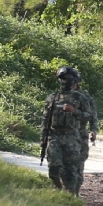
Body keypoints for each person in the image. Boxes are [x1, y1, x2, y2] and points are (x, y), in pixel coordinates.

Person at [40, 66, 98, 196]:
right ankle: (60, 190)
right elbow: (46, 119)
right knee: (55, 167)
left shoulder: (82, 97)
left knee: (74, 169)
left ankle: (72, 195)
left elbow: (91, 115)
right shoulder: (53, 97)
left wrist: (93, 130)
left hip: (76, 135)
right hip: (55, 135)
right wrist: (43, 138)